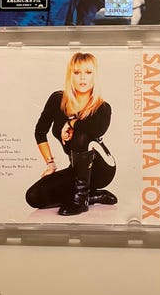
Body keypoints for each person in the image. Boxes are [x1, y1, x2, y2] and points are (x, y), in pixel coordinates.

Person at [26, 52, 117, 216]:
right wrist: (50, 165)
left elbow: (96, 130)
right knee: (33, 197)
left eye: (88, 72)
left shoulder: (102, 107)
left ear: (95, 76)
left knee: (81, 135)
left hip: (101, 169)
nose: (82, 78)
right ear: (70, 75)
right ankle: (91, 196)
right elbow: (40, 131)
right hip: (76, 170)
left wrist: (71, 123)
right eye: (77, 72)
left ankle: (80, 201)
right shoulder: (57, 99)